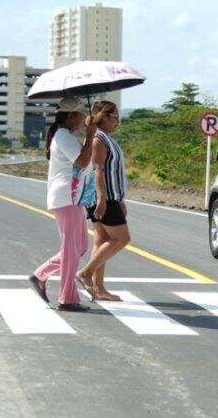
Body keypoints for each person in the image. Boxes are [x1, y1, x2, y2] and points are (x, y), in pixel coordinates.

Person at [29, 97, 97, 312]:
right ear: (70, 116)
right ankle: (67, 298)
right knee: (71, 249)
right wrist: (90, 135)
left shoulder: (65, 135)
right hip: (66, 196)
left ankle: (40, 274)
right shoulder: (63, 136)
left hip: (72, 196)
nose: (82, 120)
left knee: (81, 246)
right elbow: (82, 161)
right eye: (80, 115)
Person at [76, 100, 130, 301]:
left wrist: (120, 198)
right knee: (121, 238)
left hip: (111, 196)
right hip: (103, 198)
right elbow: (98, 169)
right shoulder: (98, 139)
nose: (118, 122)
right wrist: (102, 199)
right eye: (116, 117)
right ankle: (85, 273)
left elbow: (112, 171)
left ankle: (99, 289)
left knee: (102, 241)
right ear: (105, 117)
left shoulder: (105, 137)